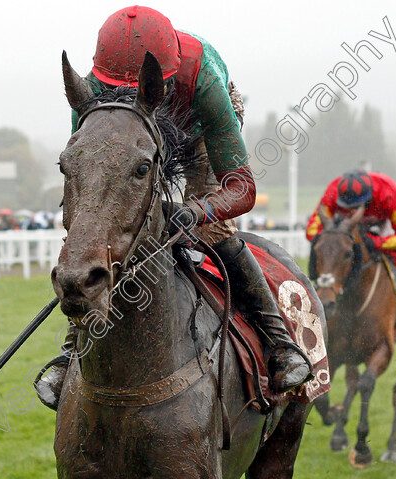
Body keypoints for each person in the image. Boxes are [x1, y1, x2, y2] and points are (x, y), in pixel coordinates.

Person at [35, 6, 312, 409]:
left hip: (195, 131)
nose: (128, 96)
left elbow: (242, 188)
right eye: (117, 89)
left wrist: (196, 212)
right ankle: (71, 350)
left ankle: (279, 342)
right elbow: (87, 173)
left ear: (160, 79)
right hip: (127, 144)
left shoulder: (202, 79)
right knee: (99, 235)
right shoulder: (94, 88)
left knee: (211, 232)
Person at [306, 170, 396, 297]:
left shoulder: (389, 191)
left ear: (368, 199)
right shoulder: (333, 190)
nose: (352, 211)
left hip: (383, 225)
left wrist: (374, 242)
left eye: (355, 207)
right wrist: (335, 238)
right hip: (346, 229)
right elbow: (312, 231)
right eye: (347, 207)